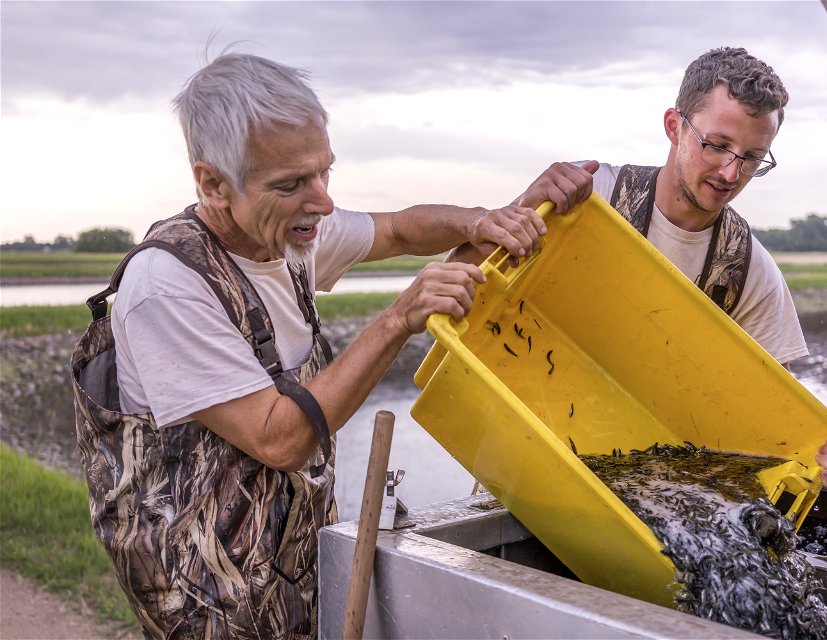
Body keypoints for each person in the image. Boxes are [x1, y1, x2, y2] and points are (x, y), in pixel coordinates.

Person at [71, 52, 563, 639]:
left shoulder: (287, 233)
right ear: (212, 183)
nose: (323, 200)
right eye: (292, 184)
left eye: (324, 171)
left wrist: (482, 220)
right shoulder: (166, 286)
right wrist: (397, 318)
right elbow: (280, 438)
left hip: (289, 566)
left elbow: (401, 230)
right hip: (203, 593)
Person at [512, 47, 827, 491]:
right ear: (673, 127)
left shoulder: (751, 270)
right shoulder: (589, 200)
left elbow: (770, 426)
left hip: (642, 494)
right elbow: (468, 285)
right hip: (523, 468)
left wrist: (822, 452)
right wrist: (524, 208)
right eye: (718, 146)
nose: (730, 172)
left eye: (752, 157)